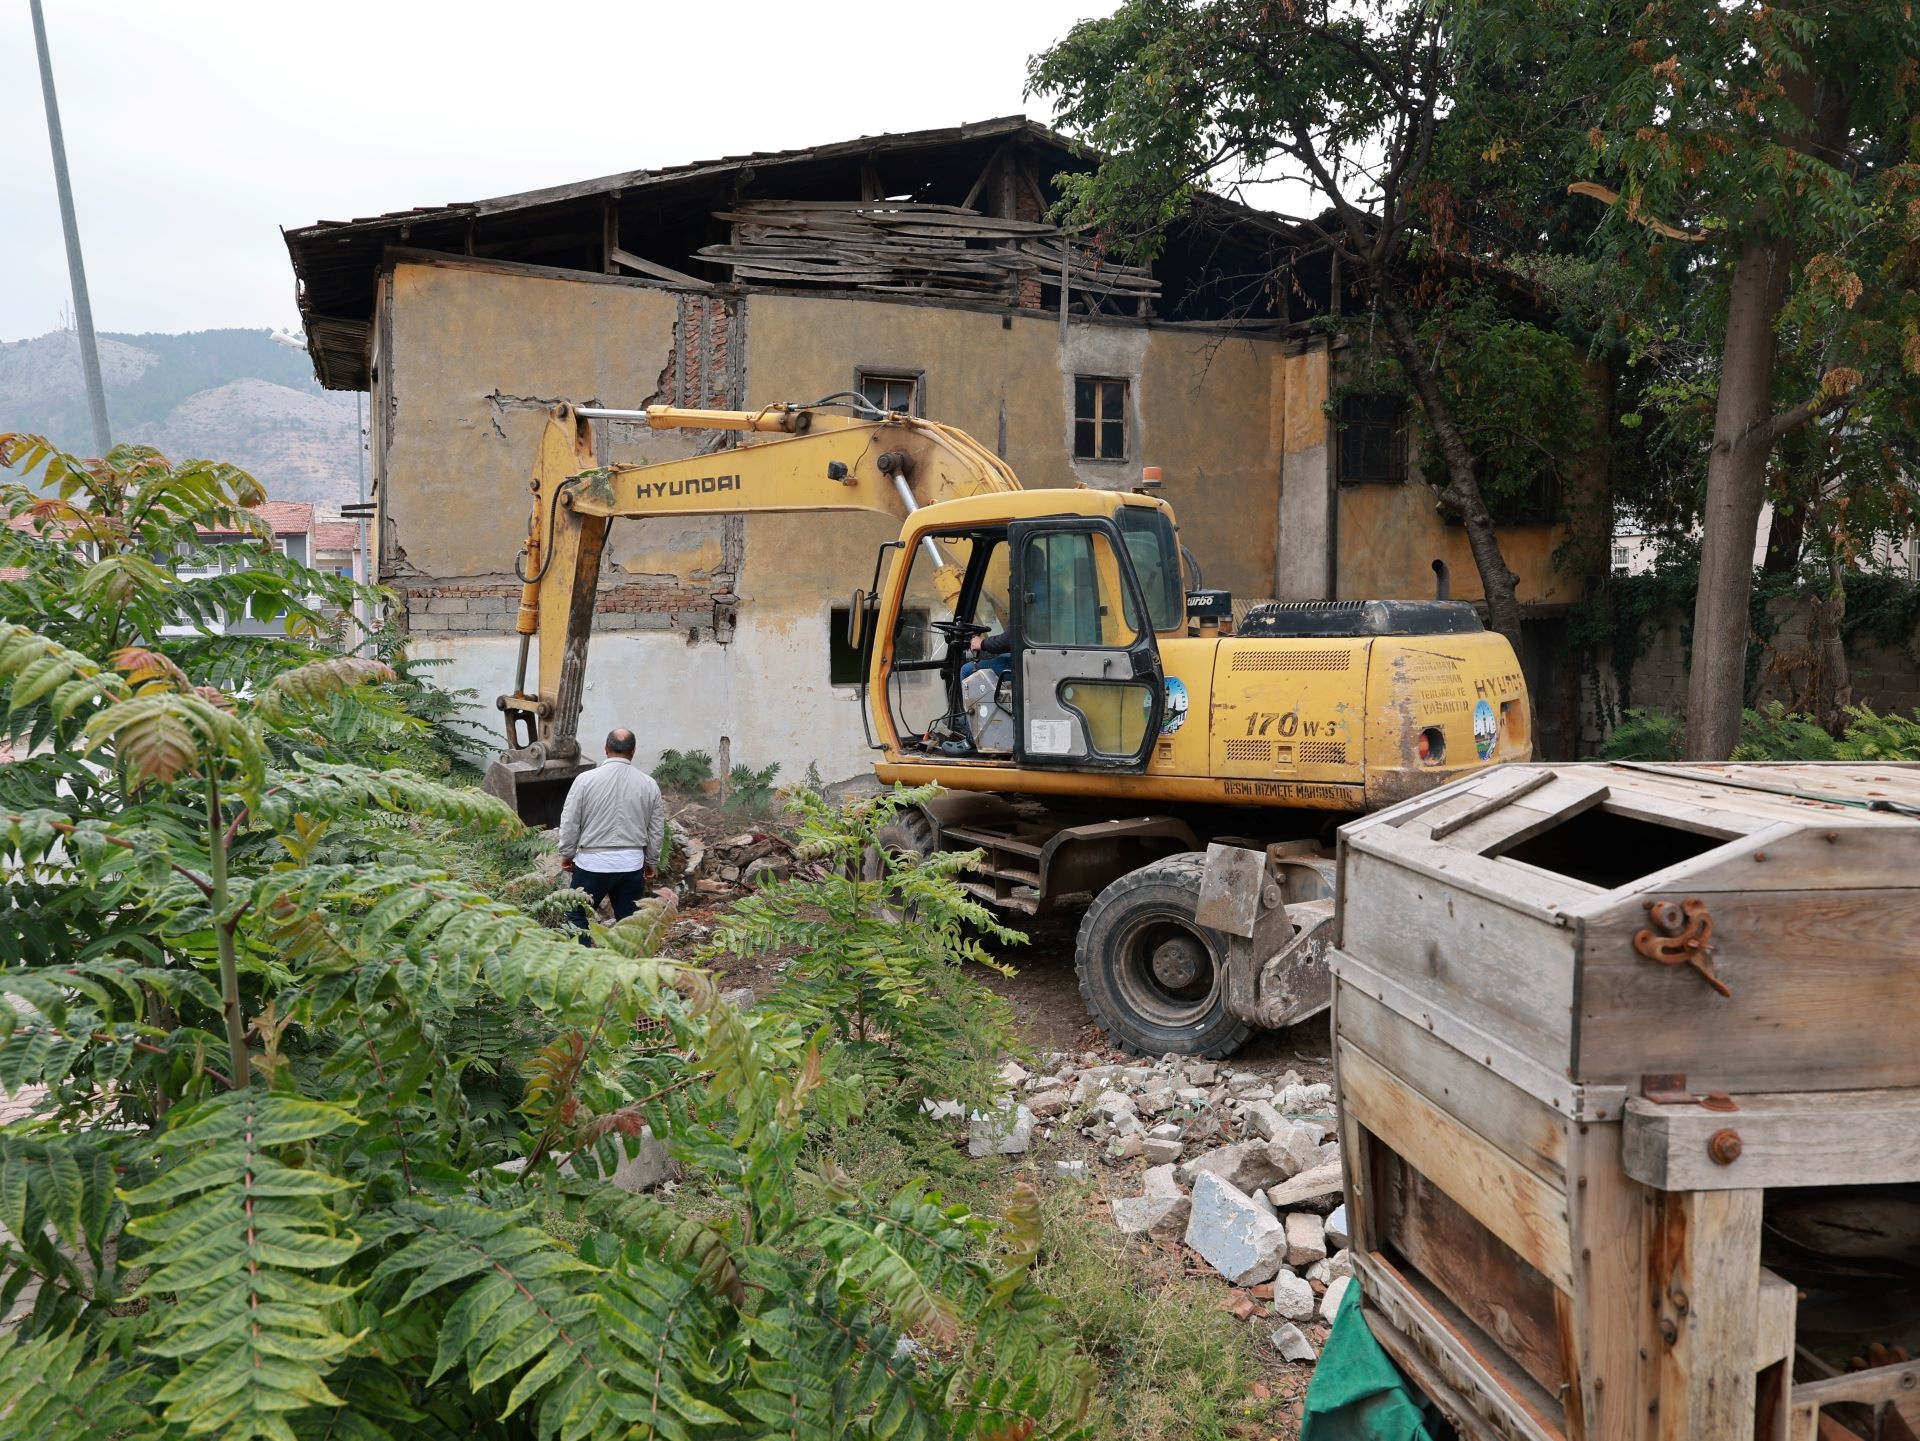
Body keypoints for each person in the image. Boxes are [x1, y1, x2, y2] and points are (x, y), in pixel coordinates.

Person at [556, 728, 665, 940]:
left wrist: (567, 853)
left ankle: (584, 966)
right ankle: (629, 968)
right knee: (629, 922)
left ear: (606, 749)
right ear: (633, 751)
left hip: (591, 864)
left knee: (576, 916)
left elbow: (570, 820)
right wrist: (651, 860)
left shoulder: (584, 780)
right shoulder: (649, 784)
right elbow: (656, 828)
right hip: (631, 865)